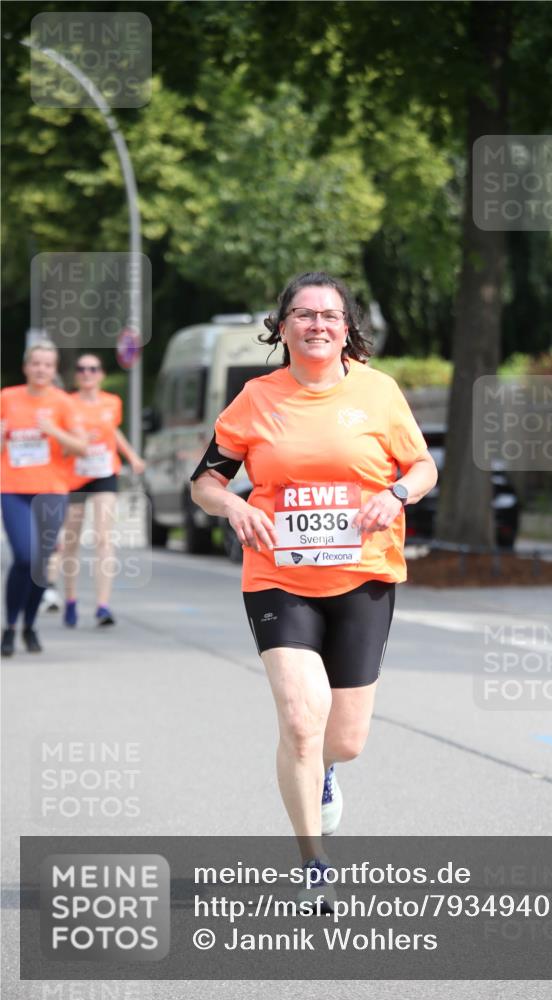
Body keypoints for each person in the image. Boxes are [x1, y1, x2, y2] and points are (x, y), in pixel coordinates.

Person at [191, 272, 437, 890]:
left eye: (329, 315)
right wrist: (238, 507)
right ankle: (313, 863)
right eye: (303, 315)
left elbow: (423, 466)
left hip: (363, 574)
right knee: (301, 720)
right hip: (279, 574)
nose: (317, 325)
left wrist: (397, 494)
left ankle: (327, 770)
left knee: (344, 739)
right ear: (281, 328)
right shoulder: (255, 399)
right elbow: (205, 482)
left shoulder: (379, 394)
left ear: (348, 326)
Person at [0, 342, 87, 656]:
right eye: (35, 363)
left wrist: (53, 430)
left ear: (54, 369)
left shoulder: (63, 403)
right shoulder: (7, 398)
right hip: (13, 489)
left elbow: (81, 447)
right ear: (26, 367)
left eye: (47, 365)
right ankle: (9, 626)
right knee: (24, 556)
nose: (41, 369)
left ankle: (29, 625)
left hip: (51, 491)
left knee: (39, 564)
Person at [61, 353, 145, 627]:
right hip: (75, 475)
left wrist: (132, 457)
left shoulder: (112, 402)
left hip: (105, 472)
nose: (87, 373)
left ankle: (102, 606)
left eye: (93, 369)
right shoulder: (67, 404)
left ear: (100, 374)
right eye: (82, 369)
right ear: (76, 375)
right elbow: (59, 442)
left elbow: (113, 431)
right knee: (71, 540)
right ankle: (71, 599)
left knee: (103, 537)